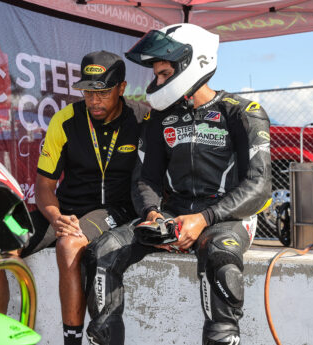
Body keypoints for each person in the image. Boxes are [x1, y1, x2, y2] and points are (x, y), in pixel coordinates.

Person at [82, 23, 272, 345]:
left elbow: (259, 186)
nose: (157, 82)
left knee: (220, 260)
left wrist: (203, 220)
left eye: (164, 74)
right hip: (173, 214)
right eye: (156, 75)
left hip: (226, 217)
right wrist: (153, 214)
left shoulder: (242, 112)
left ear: (194, 63)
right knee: (103, 251)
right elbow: (145, 178)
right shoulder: (158, 118)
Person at [20, 50, 145, 345]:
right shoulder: (66, 120)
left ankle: (71, 341)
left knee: (69, 245)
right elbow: (44, 185)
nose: (94, 100)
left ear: (122, 88)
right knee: (1, 246)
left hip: (115, 208)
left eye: (102, 92)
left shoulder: (142, 117)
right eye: (88, 92)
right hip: (66, 208)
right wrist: (55, 216)